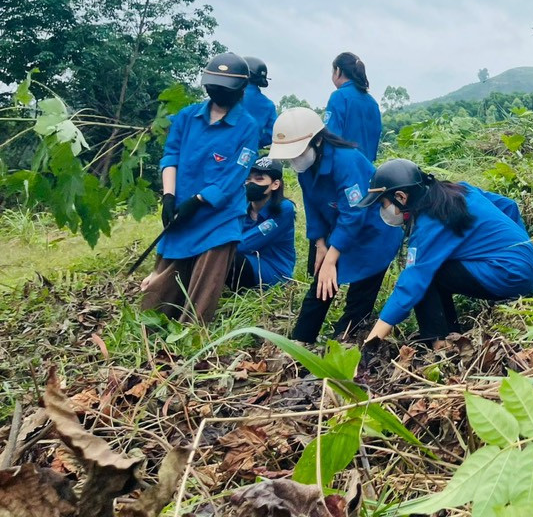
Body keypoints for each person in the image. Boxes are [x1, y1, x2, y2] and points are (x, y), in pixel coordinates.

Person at [359, 159, 533, 345]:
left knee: (426, 276)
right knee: (432, 270)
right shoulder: (459, 190)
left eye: (383, 204)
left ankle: (439, 343)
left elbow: (411, 283)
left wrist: (371, 341)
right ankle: (452, 335)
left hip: (507, 274)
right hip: (524, 266)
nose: (382, 210)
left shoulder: (431, 222)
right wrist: (522, 249)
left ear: (401, 197)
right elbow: (509, 206)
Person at [139, 52, 260, 323]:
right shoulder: (187, 116)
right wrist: (169, 196)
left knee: (202, 295)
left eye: (223, 87)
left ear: (240, 90)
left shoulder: (247, 127)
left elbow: (234, 176)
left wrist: (199, 200)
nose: (215, 91)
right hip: (181, 210)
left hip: (220, 217)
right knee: (157, 302)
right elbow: (171, 156)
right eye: (212, 84)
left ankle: (191, 336)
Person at [268, 107, 402, 342]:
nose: (293, 160)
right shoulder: (306, 168)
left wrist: (331, 258)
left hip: (373, 235)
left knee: (360, 296)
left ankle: (345, 343)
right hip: (341, 231)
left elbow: (354, 214)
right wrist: (320, 244)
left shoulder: (346, 161)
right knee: (320, 287)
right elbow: (313, 207)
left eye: (297, 153)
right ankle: (300, 342)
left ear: (318, 140)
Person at [227, 157, 296, 291]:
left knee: (225, 256)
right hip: (247, 260)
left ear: (275, 184)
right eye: (248, 179)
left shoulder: (284, 209)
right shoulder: (242, 207)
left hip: (273, 271)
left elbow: (245, 244)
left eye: (259, 179)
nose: (251, 183)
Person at [324, 52, 382, 160]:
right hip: (368, 170)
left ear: (338, 71)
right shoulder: (372, 102)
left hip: (344, 169)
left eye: (332, 72)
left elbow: (330, 138)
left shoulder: (339, 96)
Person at [241, 56, 276, 151]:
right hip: (248, 154)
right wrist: (255, 142)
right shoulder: (269, 105)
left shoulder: (230, 95)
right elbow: (272, 134)